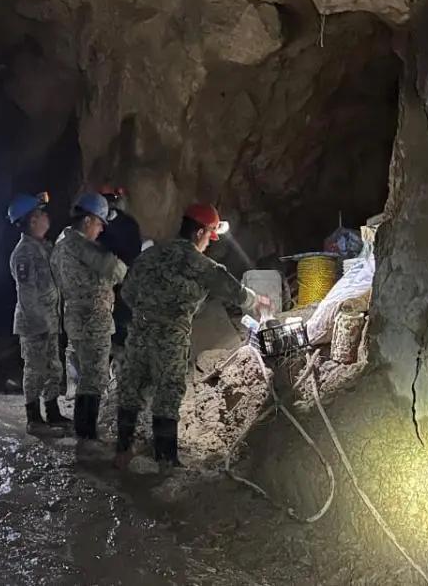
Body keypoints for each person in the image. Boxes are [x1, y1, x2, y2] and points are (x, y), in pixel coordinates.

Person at [115, 203, 272, 468]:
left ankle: (122, 451)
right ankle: (165, 459)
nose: (208, 244)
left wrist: (147, 311)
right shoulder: (200, 264)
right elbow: (231, 289)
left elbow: (127, 292)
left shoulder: (151, 254)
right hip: (170, 336)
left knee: (132, 388)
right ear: (199, 233)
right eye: (209, 236)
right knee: (168, 392)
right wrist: (256, 301)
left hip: (139, 330)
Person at [51, 192, 127, 441]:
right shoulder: (83, 246)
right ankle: (86, 435)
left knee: (86, 375)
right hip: (93, 319)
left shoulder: (60, 246)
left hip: (74, 317)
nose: (101, 229)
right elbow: (117, 271)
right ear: (87, 220)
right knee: (94, 378)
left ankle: (82, 430)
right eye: (99, 223)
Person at [7, 192, 71, 435]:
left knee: (53, 368)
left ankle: (52, 412)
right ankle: (33, 419)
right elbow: (27, 294)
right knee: (35, 370)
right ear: (32, 220)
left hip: (50, 321)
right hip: (35, 324)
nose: (47, 218)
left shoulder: (43, 247)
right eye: (42, 214)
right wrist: (39, 325)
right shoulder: (24, 253)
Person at [96, 184, 143, 380]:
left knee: (122, 322)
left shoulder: (127, 224)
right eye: (105, 200)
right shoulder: (95, 225)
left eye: (111, 199)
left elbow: (134, 251)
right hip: (103, 282)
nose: (109, 204)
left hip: (124, 280)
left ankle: (121, 368)